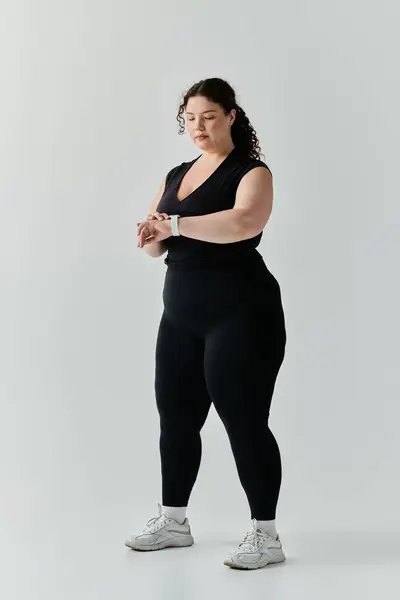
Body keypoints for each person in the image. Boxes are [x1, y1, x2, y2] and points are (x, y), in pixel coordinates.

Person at [125, 77, 287, 571]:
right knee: (175, 418)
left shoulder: (252, 172)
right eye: (190, 118)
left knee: (244, 422)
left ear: (231, 116)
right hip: (180, 315)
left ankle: (266, 535)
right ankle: (174, 522)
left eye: (209, 116)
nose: (198, 126)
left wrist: (173, 225)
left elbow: (243, 224)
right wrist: (151, 235)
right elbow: (157, 241)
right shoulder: (178, 172)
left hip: (242, 314)